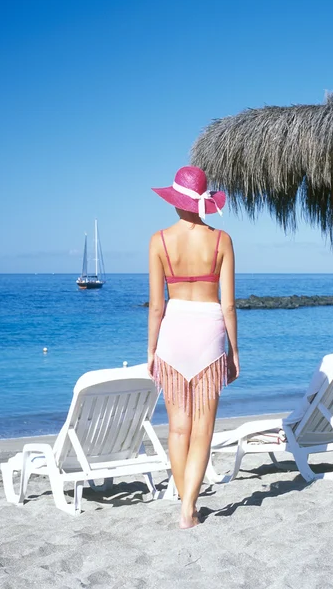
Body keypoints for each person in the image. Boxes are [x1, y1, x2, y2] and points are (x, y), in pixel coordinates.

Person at [147, 165, 239, 529]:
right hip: (209, 330)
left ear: (175, 202)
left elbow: (156, 306)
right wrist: (234, 352)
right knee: (202, 428)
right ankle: (189, 509)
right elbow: (229, 304)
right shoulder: (222, 240)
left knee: (178, 428)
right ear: (203, 204)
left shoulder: (159, 240)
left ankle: (185, 504)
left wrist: (151, 351)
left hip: (173, 332)